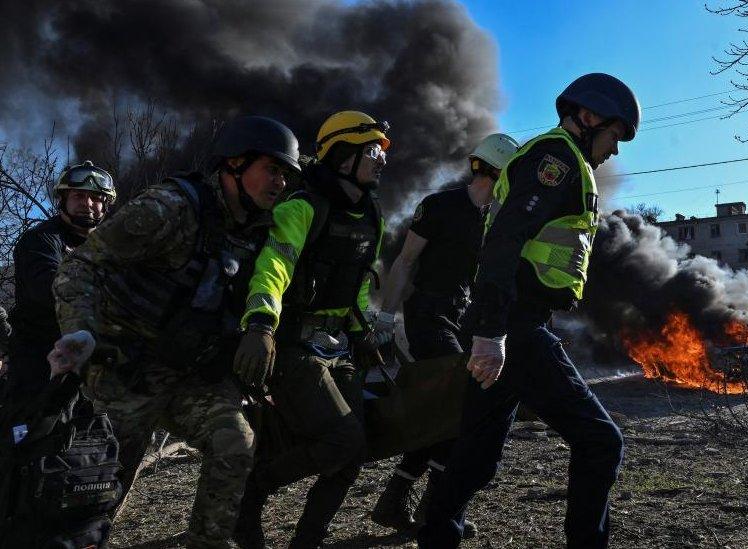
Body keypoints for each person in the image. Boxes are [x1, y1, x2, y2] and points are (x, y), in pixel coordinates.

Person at [48, 115, 301, 548]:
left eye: (285, 174)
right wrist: (82, 333)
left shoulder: (261, 231)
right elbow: (82, 264)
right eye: (272, 169)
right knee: (94, 500)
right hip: (125, 371)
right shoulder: (170, 207)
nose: (279, 182)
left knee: (234, 443)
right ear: (235, 165)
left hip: (190, 377)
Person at [417, 73, 641, 549]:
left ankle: (435, 536)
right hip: (516, 325)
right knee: (602, 442)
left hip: (511, 322)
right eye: (614, 136)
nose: (615, 150)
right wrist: (492, 332)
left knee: (475, 458)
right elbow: (503, 241)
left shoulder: (559, 158)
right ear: (589, 117)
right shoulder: (555, 159)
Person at [233, 110, 390, 548]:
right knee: (343, 438)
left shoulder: (372, 215)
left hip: (338, 347)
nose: (381, 161)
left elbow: (358, 283)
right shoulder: (303, 207)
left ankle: (309, 539)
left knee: (354, 452)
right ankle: (253, 490)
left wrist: (362, 335)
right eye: (373, 151)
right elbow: (274, 266)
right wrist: (261, 322)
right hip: (290, 345)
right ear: (342, 156)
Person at [370, 133, 518, 535]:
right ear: (494, 171)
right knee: (458, 403)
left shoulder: (494, 220)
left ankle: (397, 501)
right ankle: (435, 509)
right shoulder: (439, 206)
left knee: (442, 412)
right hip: (429, 314)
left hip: (463, 318)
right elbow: (404, 262)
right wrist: (386, 318)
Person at [7, 161, 116, 396]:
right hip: (40, 364)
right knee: (38, 430)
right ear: (63, 200)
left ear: (105, 206)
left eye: (96, 198)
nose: (88, 204)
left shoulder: (113, 247)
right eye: (78, 196)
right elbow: (50, 287)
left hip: (96, 364)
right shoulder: (40, 240)